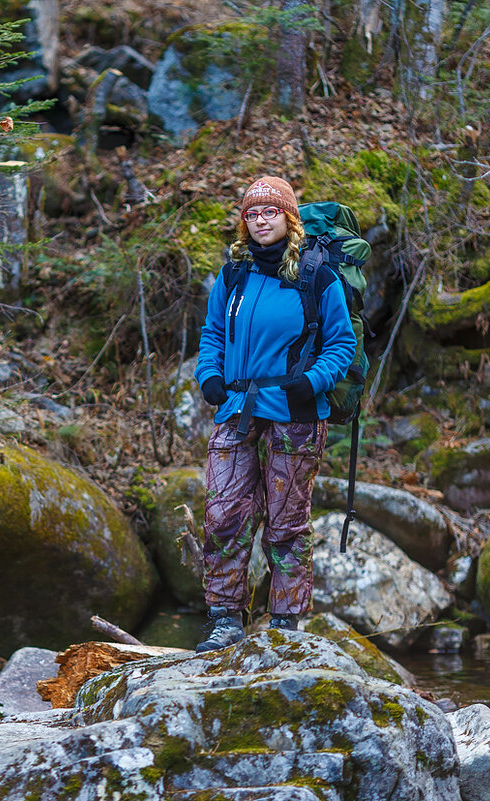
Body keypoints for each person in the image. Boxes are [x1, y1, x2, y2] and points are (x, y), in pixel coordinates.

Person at [192, 176, 355, 653]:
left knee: (287, 523)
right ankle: (225, 620)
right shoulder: (233, 274)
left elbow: (341, 344)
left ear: (288, 217)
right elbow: (212, 334)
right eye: (252, 214)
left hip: (295, 415)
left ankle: (286, 625)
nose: (260, 220)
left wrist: (312, 381)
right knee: (222, 515)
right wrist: (209, 376)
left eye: (270, 212)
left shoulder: (317, 276)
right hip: (238, 409)